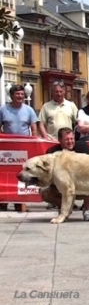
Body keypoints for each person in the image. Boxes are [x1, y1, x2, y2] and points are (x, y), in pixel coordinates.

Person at [40, 127, 89, 221]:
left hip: (80, 183)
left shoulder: (83, 147)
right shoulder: (51, 152)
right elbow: (48, 174)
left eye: (72, 139)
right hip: (61, 186)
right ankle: (65, 209)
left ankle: (86, 210)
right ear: (59, 140)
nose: (70, 142)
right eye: (66, 140)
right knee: (44, 191)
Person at [0, 84, 38, 212]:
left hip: (24, 149)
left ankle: (20, 202)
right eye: (17, 94)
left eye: (22, 94)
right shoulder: (3, 109)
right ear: (11, 96)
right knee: (5, 175)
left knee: (22, 175)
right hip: (7, 150)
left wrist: (34, 143)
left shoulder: (29, 110)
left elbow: (34, 129)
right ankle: (3, 202)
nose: (20, 96)